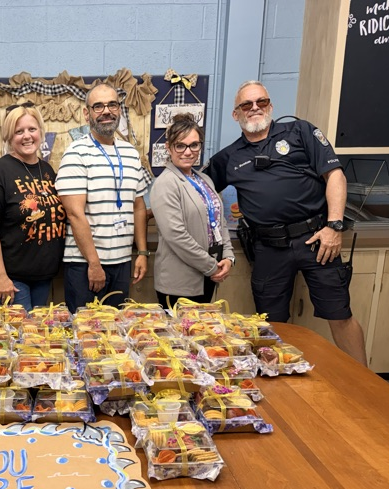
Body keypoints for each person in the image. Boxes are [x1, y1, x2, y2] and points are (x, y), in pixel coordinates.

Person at [204, 80, 367, 366]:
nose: (255, 108)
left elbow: (335, 176)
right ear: (236, 114)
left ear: (270, 106)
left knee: (339, 313)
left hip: (318, 239)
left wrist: (335, 226)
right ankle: (279, 383)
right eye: (246, 104)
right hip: (269, 247)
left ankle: (366, 383)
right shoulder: (229, 157)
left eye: (261, 102)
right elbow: (196, 189)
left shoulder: (300, 132)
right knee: (270, 322)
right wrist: (149, 214)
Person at [55, 83, 149, 313]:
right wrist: (94, 263)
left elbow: (138, 207)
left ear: (119, 110)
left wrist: (143, 253)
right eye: (98, 106)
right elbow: (74, 214)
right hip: (86, 264)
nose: (106, 111)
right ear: (87, 113)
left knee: (116, 334)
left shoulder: (130, 153)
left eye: (112, 105)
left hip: (122, 261)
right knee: (86, 336)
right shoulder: (76, 153)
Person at [0, 102, 65, 311]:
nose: (27, 136)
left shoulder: (47, 169)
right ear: (9, 137)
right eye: (19, 131)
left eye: (32, 129)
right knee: (21, 337)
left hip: (41, 275)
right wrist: (1, 277)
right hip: (10, 278)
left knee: (34, 337)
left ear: (40, 132)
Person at [150, 113, 235, 307]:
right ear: (169, 148)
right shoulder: (165, 183)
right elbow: (176, 235)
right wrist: (211, 266)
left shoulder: (205, 180)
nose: (188, 152)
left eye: (194, 145)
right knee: (180, 336)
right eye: (180, 145)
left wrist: (228, 257)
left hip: (209, 274)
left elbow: (220, 222)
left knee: (199, 335)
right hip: (180, 282)